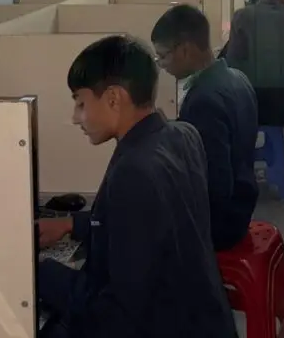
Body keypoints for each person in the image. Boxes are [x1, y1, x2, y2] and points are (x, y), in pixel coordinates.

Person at [35, 36, 236, 338]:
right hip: (204, 320)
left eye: (81, 103)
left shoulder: (133, 171)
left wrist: (39, 274)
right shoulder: (182, 135)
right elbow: (148, 224)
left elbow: (118, 312)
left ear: (113, 99)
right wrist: (71, 224)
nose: (75, 117)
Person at [151, 5, 259, 252]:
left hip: (220, 224)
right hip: (243, 204)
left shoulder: (203, 101)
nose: (162, 65)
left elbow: (214, 186)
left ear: (185, 50)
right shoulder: (236, 78)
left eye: (163, 56)